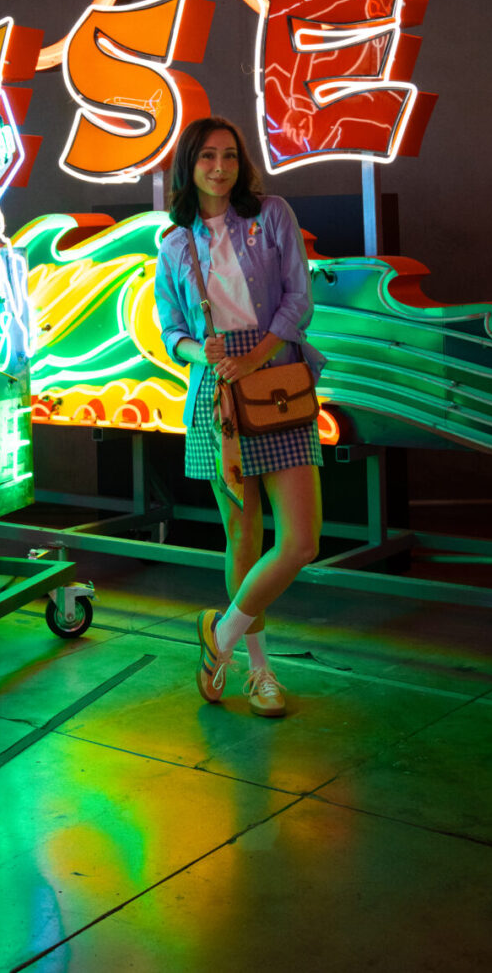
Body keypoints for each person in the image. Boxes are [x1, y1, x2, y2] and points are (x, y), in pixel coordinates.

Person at [155, 115, 325, 715]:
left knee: (301, 541)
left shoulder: (272, 213)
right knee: (243, 538)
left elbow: (298, 298)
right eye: (207, 158)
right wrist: (206, 353)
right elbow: (170, 327)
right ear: (189, 167)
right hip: (216, 397)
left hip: (277, 381)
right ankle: (259, 671)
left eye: (229, 156)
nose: (220, 168)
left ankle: (218, 637)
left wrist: (253, 354)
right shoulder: (174, 243)